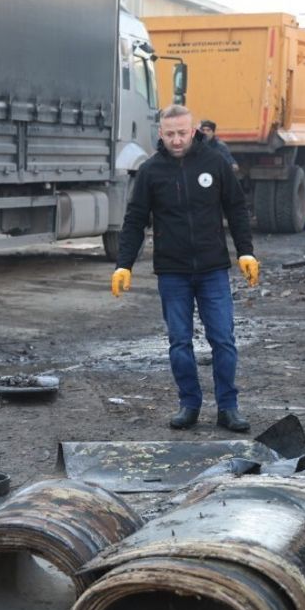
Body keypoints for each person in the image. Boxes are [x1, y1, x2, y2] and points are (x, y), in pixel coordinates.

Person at [112, 104, 259, 432]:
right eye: (170, 134)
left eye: (182, 133)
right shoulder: (151, 172)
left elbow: (236, 209)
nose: (177, 140)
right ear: (160, 134)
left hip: (212, 270)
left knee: (223, 339)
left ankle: (228, 407)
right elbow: (135, 220)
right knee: (180, 342)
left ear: (193, 131)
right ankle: (189, 404)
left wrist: (245, 252)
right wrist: (124, 264)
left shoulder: (215, 163)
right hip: (173, 272)